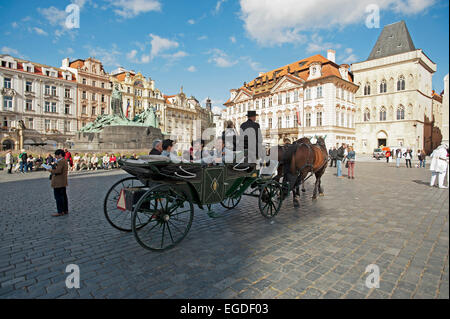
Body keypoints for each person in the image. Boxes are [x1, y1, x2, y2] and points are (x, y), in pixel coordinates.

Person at [46, 149, 69, 217]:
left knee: (58, 197)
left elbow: (58, 171)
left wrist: (50, 170)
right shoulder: (63, 161)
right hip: (62, 181)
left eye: (56, 155)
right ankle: (65, 210)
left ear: (60, 155)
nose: (55, 156)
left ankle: (60, 211)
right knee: (63, 196)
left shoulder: (61, 161)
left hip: (58, 182)